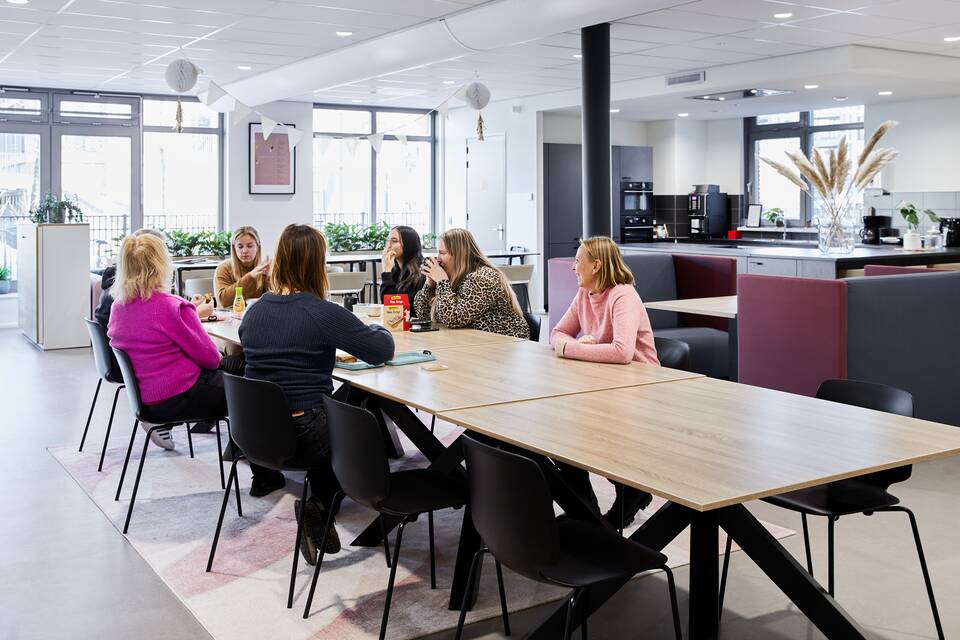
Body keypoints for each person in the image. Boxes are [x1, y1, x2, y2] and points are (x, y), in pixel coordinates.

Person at [239, 224, 395, 563]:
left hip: (255, 435)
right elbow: (381, 350)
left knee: (348, 403)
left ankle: (320, 502)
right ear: (316, 264)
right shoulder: (321, 313)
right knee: (357, 422)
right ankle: (319, 503)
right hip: (304, 434)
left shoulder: (254, 312)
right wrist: (380, 323)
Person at [549, 236, 659, 529]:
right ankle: (587, 514)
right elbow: (557, 332)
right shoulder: (585, 293)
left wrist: (574, 348)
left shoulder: (623, 295)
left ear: (595, 265)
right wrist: (572, 344)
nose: (573, 268)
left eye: (577, 261)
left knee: (583, 436)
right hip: (602, 379)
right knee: (563, 439)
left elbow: (622, 353)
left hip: (638, 387)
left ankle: (627, 494)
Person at [413, 228, 529, 339]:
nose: (438, 259)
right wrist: (429, 284)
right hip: (474, 340)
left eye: (442, 253)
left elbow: (454, 319)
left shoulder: (482, 278)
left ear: (459, 255)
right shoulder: (454, 275)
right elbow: (422, 315)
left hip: (505, 342)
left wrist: (442, 281)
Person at [215, 226, 270, 308]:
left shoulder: (265, 267)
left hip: (258, 315)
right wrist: (250, 276)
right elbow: (224, 301)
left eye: (250, 246)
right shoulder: (223, 268)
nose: (244, 251)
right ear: (234, 248)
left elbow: (275, 299)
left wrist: (269, 278)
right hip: (230, 317)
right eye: (240, 247)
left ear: (258, 246)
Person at [379, 225, 426, 302]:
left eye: (394, 241)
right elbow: (386, 303)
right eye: (388, 240)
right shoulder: (396, 269)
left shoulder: (421, 273)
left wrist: (386, 272)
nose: (388, 245)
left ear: (408, 245)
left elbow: (394, 305)